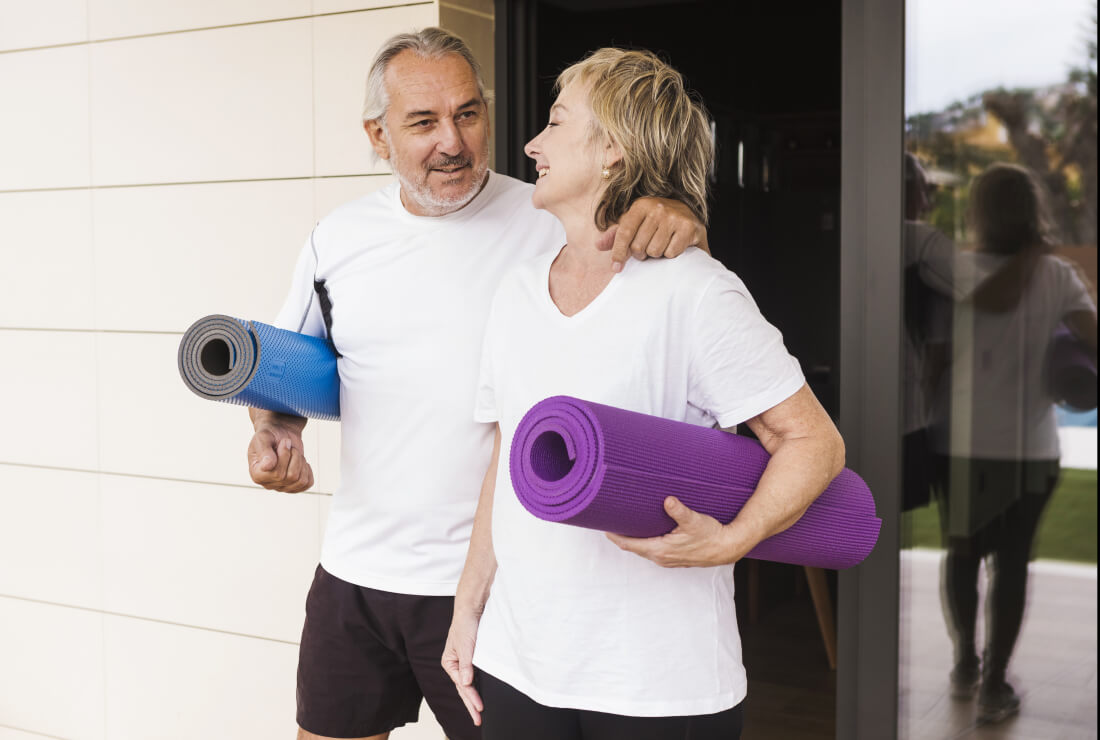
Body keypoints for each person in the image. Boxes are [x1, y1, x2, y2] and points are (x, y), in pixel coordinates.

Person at [244, 28, 709, 740]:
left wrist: (681, 220)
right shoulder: (336, 240)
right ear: (377, 134)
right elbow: (289, 369)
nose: (453, 142)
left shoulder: (550, 218)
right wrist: (274, 432)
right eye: (423, 123)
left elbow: (672, 283)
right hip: (355, 574)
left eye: (468, 113)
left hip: (489, 587)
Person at [442, 48, 846, 739]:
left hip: (658, 687)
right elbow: (509, 457)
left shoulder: (695, 291)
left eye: (556, 122)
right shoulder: (515, 292)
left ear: (614, 152)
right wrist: (468, 606)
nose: (533, 144)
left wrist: (736, 538)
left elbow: (813, 441)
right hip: (519, 664)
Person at [925, 163, 1097, 723]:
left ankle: (967, 663)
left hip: (964, 444)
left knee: (963, 553)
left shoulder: (956, 269)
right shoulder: (1057, 274)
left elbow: (936, 364)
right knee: (1011, 563)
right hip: (1029, 448)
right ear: (1034, 210)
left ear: (980, 211)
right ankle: (994, 681)